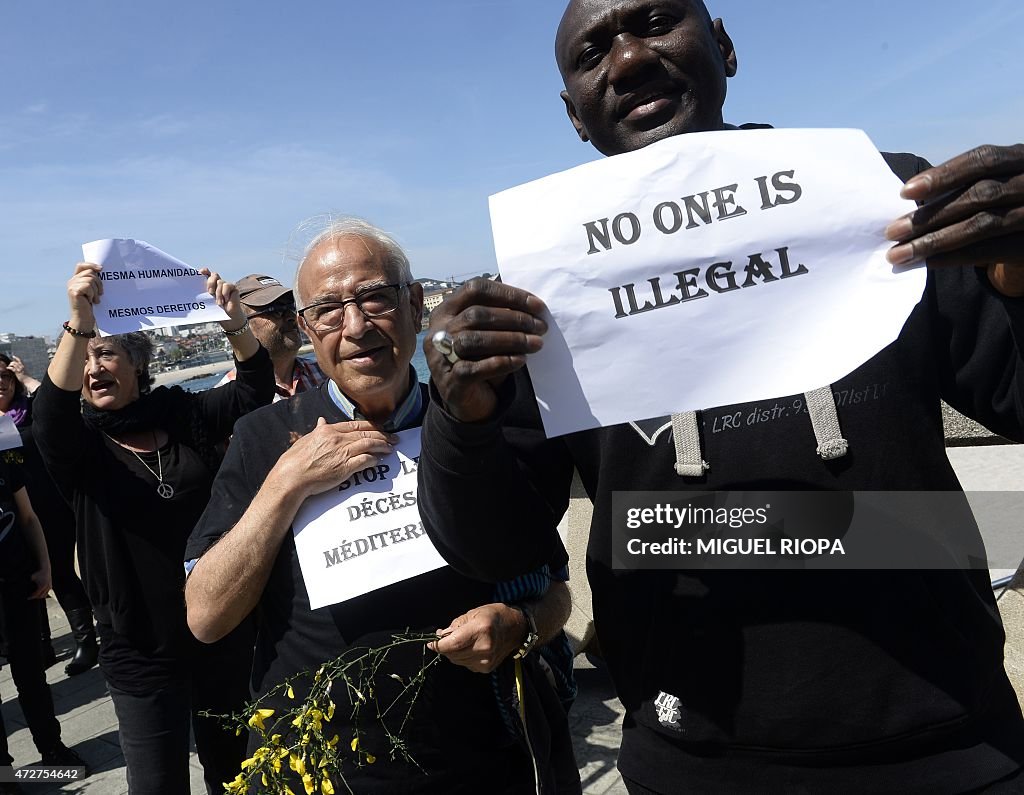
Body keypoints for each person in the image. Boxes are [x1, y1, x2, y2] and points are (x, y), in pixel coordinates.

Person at [416, 1, 1024, 793]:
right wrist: (460, 416)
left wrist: (1017, 280)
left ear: (724, 48)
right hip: (691, 760)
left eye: (658, 20)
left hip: (952, 743)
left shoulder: (883, 202)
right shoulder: (544, 298)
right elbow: (497, 551)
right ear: (573, 115)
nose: (630, 59)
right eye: (593, 51)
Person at [184, 217, 580, 794]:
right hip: (315, 767)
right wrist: (284, 486)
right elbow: (205, 615)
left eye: (375, 297)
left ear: (416, 305)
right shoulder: (262, 437)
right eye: (328, 310)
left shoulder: (474, 421)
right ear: (306, 329)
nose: (355, 326)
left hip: (479, 762)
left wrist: (519, 626)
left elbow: (557, 590)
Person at [31, 263, 276, 795]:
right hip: (138, 645)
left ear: (137, 365)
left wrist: (234, 322)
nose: (95, 365)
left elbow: (253, 391)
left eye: (107, 353)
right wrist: (80, 322)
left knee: (237, 774)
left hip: (220, 628)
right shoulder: (81, 446)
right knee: (157, 782)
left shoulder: (182, 416)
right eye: (87, 356)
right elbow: (48, 416)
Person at [0, 356, 98, 676]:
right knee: (27, 576)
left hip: (48, 503)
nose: (1, 383)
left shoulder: (31, 410)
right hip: (13, 513)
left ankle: (87, 640)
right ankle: (43, 645)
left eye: (5, 376)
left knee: (59, 571)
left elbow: (55, 402)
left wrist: (26, 377)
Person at [0, 447, 86, 774]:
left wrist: (45, 567)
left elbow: (28, 517)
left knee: (32, 676)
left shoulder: (3, 462)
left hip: (17, 586)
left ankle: (52, 747)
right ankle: (3, 774)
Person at [215, 273, 327, 399]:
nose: (291, 317)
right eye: (275, 310)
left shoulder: (328, 375)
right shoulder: (230, 400)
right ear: (243, 325)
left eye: (291, 307)